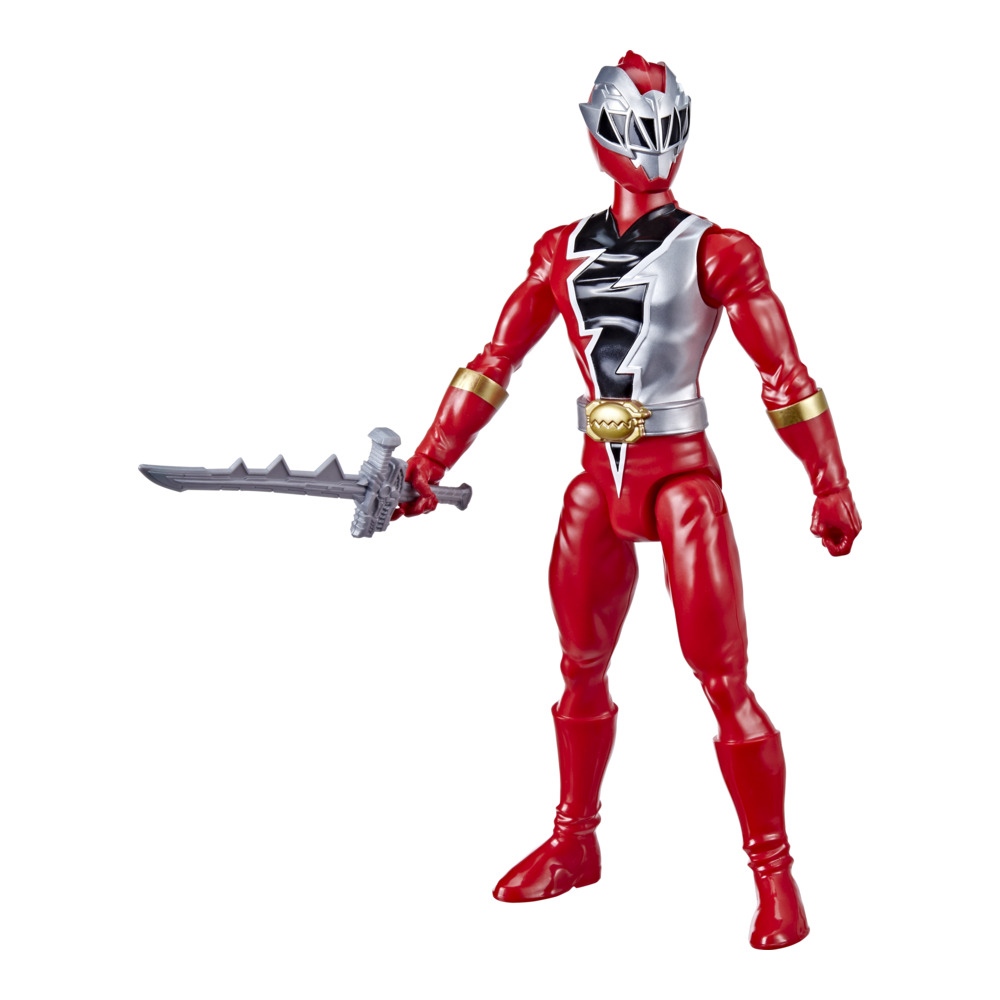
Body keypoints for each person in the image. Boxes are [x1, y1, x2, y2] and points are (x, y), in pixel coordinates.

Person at [395, 51, 861, 950]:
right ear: (597, 130)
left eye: (661, 128)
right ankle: (575, 842)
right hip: (596, 479)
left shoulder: (719, 249)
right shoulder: (558, 248)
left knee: (724, 681)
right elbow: (496, 362)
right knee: (580, 665)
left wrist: (829, 480)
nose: (650, 147)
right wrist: (426, 461)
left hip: (680, 478)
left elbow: (784, 375)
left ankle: (776, 877)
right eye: (632, 128)